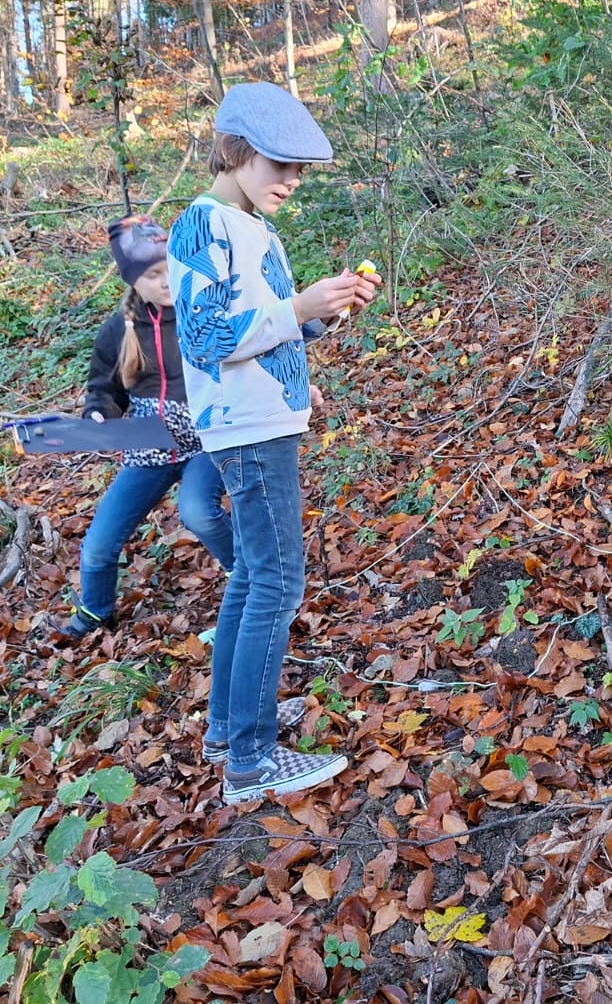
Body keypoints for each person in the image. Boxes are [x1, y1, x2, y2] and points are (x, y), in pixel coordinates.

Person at [168, 82, 379, 804]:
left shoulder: (248, 224)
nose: (291, 180)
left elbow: (259, 331)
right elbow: (205, 338)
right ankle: (252, 762)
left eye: (299, 170)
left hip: (264, 419)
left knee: (253, 578)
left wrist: (320, 319)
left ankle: (228, 727)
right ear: (235, 151)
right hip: (247, 432)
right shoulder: (203, 224)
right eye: (278, 164)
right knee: (277, 584)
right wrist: (297, 308)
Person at [59, 214, 243, 642]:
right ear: (132, 281)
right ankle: (95, 611)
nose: (166, 282)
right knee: (98, 545)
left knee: (197, 511)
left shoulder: (203, 313)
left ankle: (249, 576)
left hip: (206, 439)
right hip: (149, 445)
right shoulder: (118, 330)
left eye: (171, 270)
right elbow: (103, 389)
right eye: (153, 275)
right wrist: (98, 414)